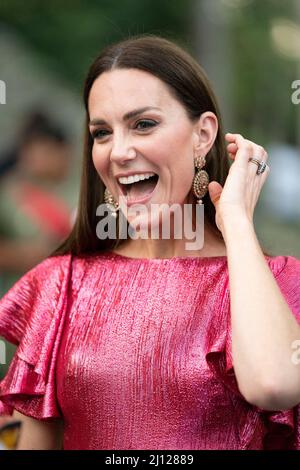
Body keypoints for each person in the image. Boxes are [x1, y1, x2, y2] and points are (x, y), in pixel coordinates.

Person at [0, 35, 299, 450]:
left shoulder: (279, 282)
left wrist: (235, 220)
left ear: (203, 134)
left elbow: (274, 385)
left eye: (143, 124)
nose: (118, 151)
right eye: (102, 132)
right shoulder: (61, 285)